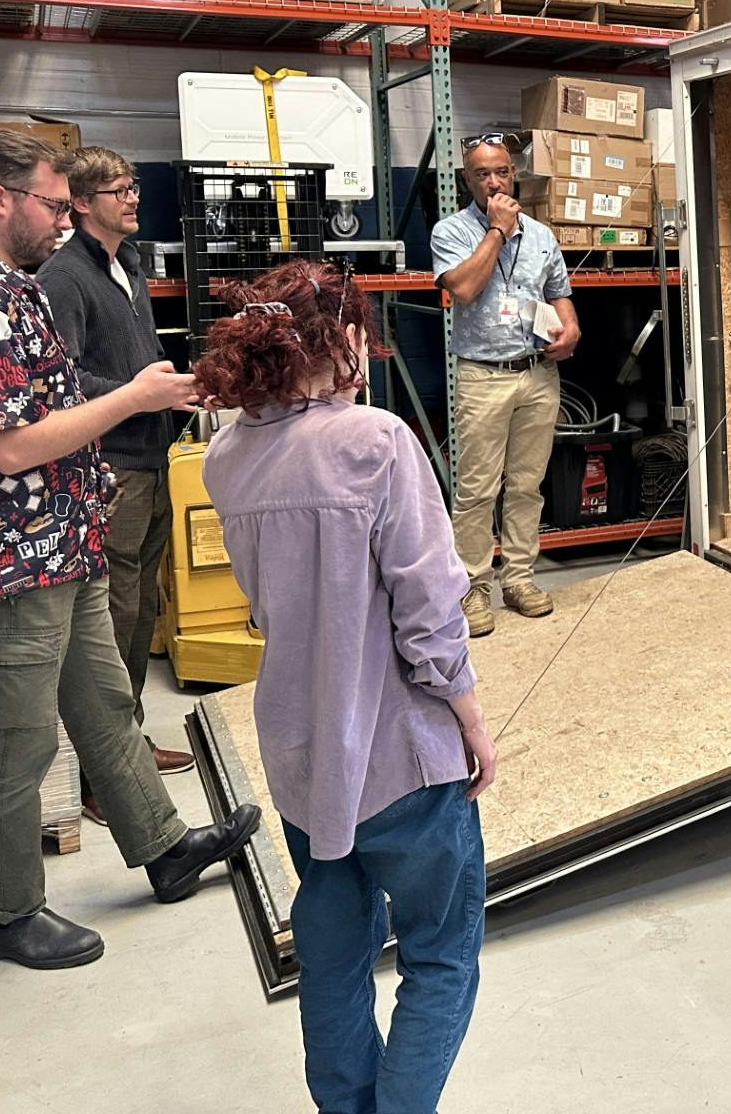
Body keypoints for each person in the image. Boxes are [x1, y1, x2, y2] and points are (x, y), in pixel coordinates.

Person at [0, 130, 262, 970]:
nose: (64, 222)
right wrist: (135, 397)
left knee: (107, 705)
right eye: (52, 203)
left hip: (60, 543)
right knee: (18, 739)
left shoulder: (16, 287)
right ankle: (8, 912)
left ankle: (165, 846)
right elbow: (8, 447)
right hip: (9, 557)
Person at [195, 260, 494, 1114]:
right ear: (346, 340)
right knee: (440, 952)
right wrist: (469, 717)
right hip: (401, 755)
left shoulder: (228, 456)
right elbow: (431, 609)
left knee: (331, 943)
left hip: (299, 753)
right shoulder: (376, 442)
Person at [38, 146, 193, 825]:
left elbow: (141, 357)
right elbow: (60, 383)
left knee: (142, 608)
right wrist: (141, 396)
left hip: (151, 455)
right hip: (110, 466)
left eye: (133, 186)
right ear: (79, 202)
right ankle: (104, 771)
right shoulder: (64, 277)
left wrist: (173, 387)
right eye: (118, 190)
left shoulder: (127, 263)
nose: (134, 198)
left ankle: (127, 744)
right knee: (115, 616)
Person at [430, 133, 580, 636]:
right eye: (481, 174)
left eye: (500, 171)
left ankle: (518, 579)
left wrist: (571, 327)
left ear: (512, 172)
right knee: (476, 490)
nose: (493, 181)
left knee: (526, 484)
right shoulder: (450, 232)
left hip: (537, 375)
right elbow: (465, 289)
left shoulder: (541, 236)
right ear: (466, 180)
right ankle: (471, 588)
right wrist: (496, 230)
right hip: (483, 377)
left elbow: (558, 293)